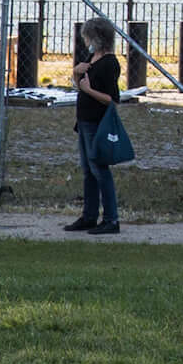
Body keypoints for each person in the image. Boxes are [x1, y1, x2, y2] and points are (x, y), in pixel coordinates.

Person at [68, 16, 124, 235]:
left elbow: (112, 99)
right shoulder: (92, 58)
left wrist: (89, 91)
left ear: (98, 38)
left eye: (89, 37)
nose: (86, 42)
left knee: (100, 170)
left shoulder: (109, 63)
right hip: (83, 121)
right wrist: (76, 73)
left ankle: (111, 218)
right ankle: (89, 215)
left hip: (96, 122)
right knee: (87, 171)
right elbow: (80, 84)